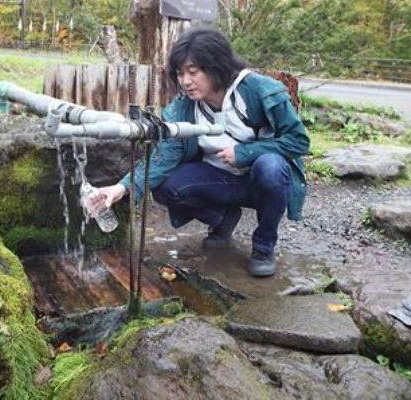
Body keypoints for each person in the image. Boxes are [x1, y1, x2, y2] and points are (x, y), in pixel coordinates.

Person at [93, 28, 310, 277]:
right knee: (167, 185)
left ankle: (263, 246)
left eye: (193, 72)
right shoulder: (185, 106)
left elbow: (298, 141)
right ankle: (222, 218)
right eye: (180, 73)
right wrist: (122, 187)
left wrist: (245, 152)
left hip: (262, 182)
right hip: (220, 180)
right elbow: (165, 156)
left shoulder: (260, 90)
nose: (185, 81)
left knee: (271, 166)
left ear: (216, 67)